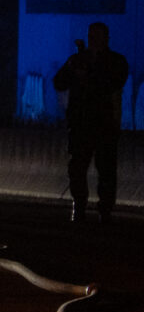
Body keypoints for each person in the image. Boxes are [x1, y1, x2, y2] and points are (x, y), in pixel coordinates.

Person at [55, 22, 129, 224]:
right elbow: (59, 82)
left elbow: (112, 83)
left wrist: (88, 73)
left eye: (97, 36)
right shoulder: (78, 60)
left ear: (106, 38)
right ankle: (79, 206)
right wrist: (73, 68)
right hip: (80, 124)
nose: (93, 40)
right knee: (77, 169)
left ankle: (105, 210)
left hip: (104, 124)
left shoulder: (115, 61)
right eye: (91, 36)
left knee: (106, 171)